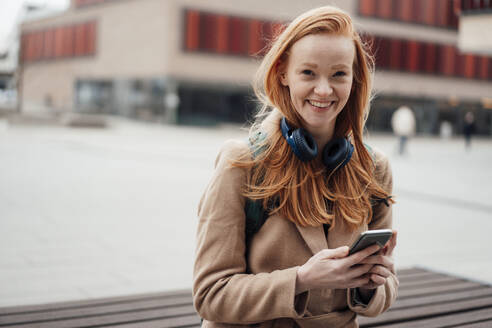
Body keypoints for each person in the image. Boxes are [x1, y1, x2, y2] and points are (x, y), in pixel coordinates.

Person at [193, 6, 398, 327]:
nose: (324, 89)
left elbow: (384, 291)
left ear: (354, 79)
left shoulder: (373, 168)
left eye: (339, 74)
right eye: (308, 73)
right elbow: (210, 295)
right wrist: (302, 280)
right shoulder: (242, 163)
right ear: (283, 74)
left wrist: (370, 286)